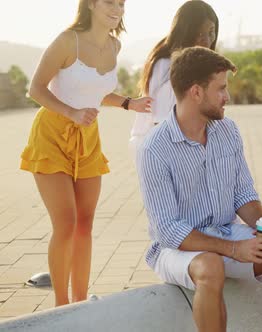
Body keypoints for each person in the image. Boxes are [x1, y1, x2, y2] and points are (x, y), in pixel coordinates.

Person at [136, 46, 262, 331]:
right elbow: (168, 230)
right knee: (210, 266)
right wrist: (232, 248)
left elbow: (244, 194)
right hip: (175, 250)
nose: (227, 97)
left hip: (227, 236)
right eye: (221, 89)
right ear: (196, 92)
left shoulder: (227, 130)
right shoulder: (154, 149)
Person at [20, 0, 152, 306]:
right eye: (110, 2)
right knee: (65, 222)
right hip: (51, 134)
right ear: (91, 4)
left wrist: (128, 103)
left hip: (87, 137)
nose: (117, 9)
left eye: (122, 3)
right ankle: (61, 305)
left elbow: (95, 91)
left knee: (85, 222)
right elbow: (36, 88)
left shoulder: (114, 46)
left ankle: (80, 303)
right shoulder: (68, 40)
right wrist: (71, 112)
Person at [130, 0, 219, 150]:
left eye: (211, 32)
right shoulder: (164, 64)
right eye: (199, 33)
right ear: (185, 32)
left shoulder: (202, 64)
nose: (206, 40)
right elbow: (160, 120)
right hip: (156, 145)